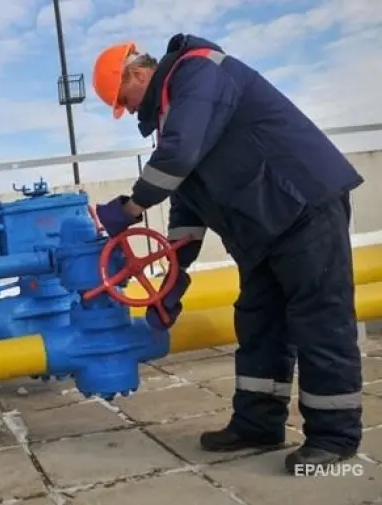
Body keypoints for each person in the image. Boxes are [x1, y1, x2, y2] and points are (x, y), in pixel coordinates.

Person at [90, 33, 364, 474]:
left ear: (138, 74)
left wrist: (129, 209)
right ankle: (258, 424)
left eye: (125, 100)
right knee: (258, 322)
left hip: (303, 205)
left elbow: (178, 158)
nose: (130, 111)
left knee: (320, 320)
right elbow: (186, 207)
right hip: (263, 228)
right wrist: (172, 282)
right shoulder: (175, 113)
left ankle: (334, 438)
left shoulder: (198, 72)